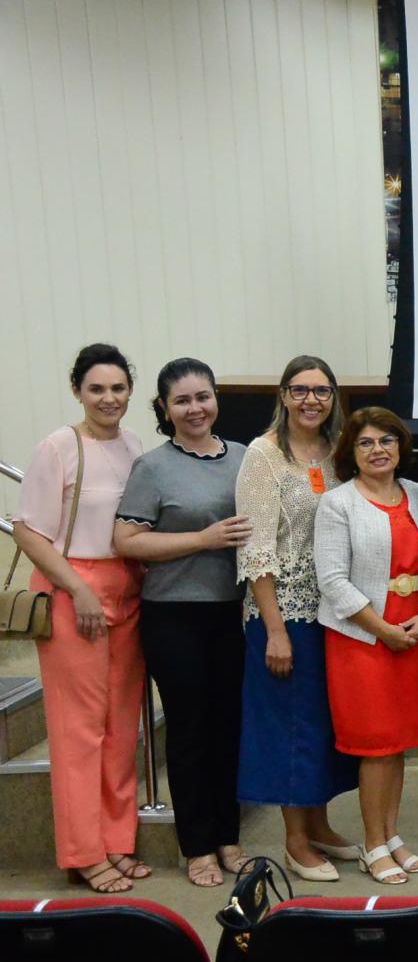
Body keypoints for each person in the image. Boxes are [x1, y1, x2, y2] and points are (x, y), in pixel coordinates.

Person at [13, 344, 148, 892]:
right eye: (97, 388)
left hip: (127, 586)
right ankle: (83, 850)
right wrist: (78, 590)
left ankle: (117, 842)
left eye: (118, 388)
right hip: (73, 591)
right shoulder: (58, 447)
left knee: (121, 728)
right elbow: (27, 529)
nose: (108, 398)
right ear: (77, 391)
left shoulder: (136, 446)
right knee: (78, 730)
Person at [113, 358, 250, 887]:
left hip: (230, 613)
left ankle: (228, 836)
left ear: (217, 400)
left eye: (203, 397)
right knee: (191, 731)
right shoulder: (153, 467)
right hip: (173, 617)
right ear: (165, 410)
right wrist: (203, 539)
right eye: (183, 400)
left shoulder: (242, 457)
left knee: (228, 727)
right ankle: (196, 846)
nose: (196, 408)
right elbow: (126, 541)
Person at [235, 355, 359, 883]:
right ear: (284, 395)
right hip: (284, 614)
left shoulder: (338, 453)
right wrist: (276, 629)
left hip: (334, 612)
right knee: (290, 727)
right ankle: (294, 842)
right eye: (301, 390)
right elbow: (255, 549)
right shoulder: (263, 456)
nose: (312, 400)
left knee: (324, 724)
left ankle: (319, 825)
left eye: (323, 391)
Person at [315, 407, 418, 885]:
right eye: (366, 443)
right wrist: (383, 628)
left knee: (399, 742)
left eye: (386, 440)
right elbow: (333, 581)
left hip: (411, 635)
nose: (378, 450)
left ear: (401, 446)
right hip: (362, 641)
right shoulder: (338, 503)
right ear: (351, 452)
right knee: (377, 746)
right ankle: (371, 845)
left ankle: (390, 835)